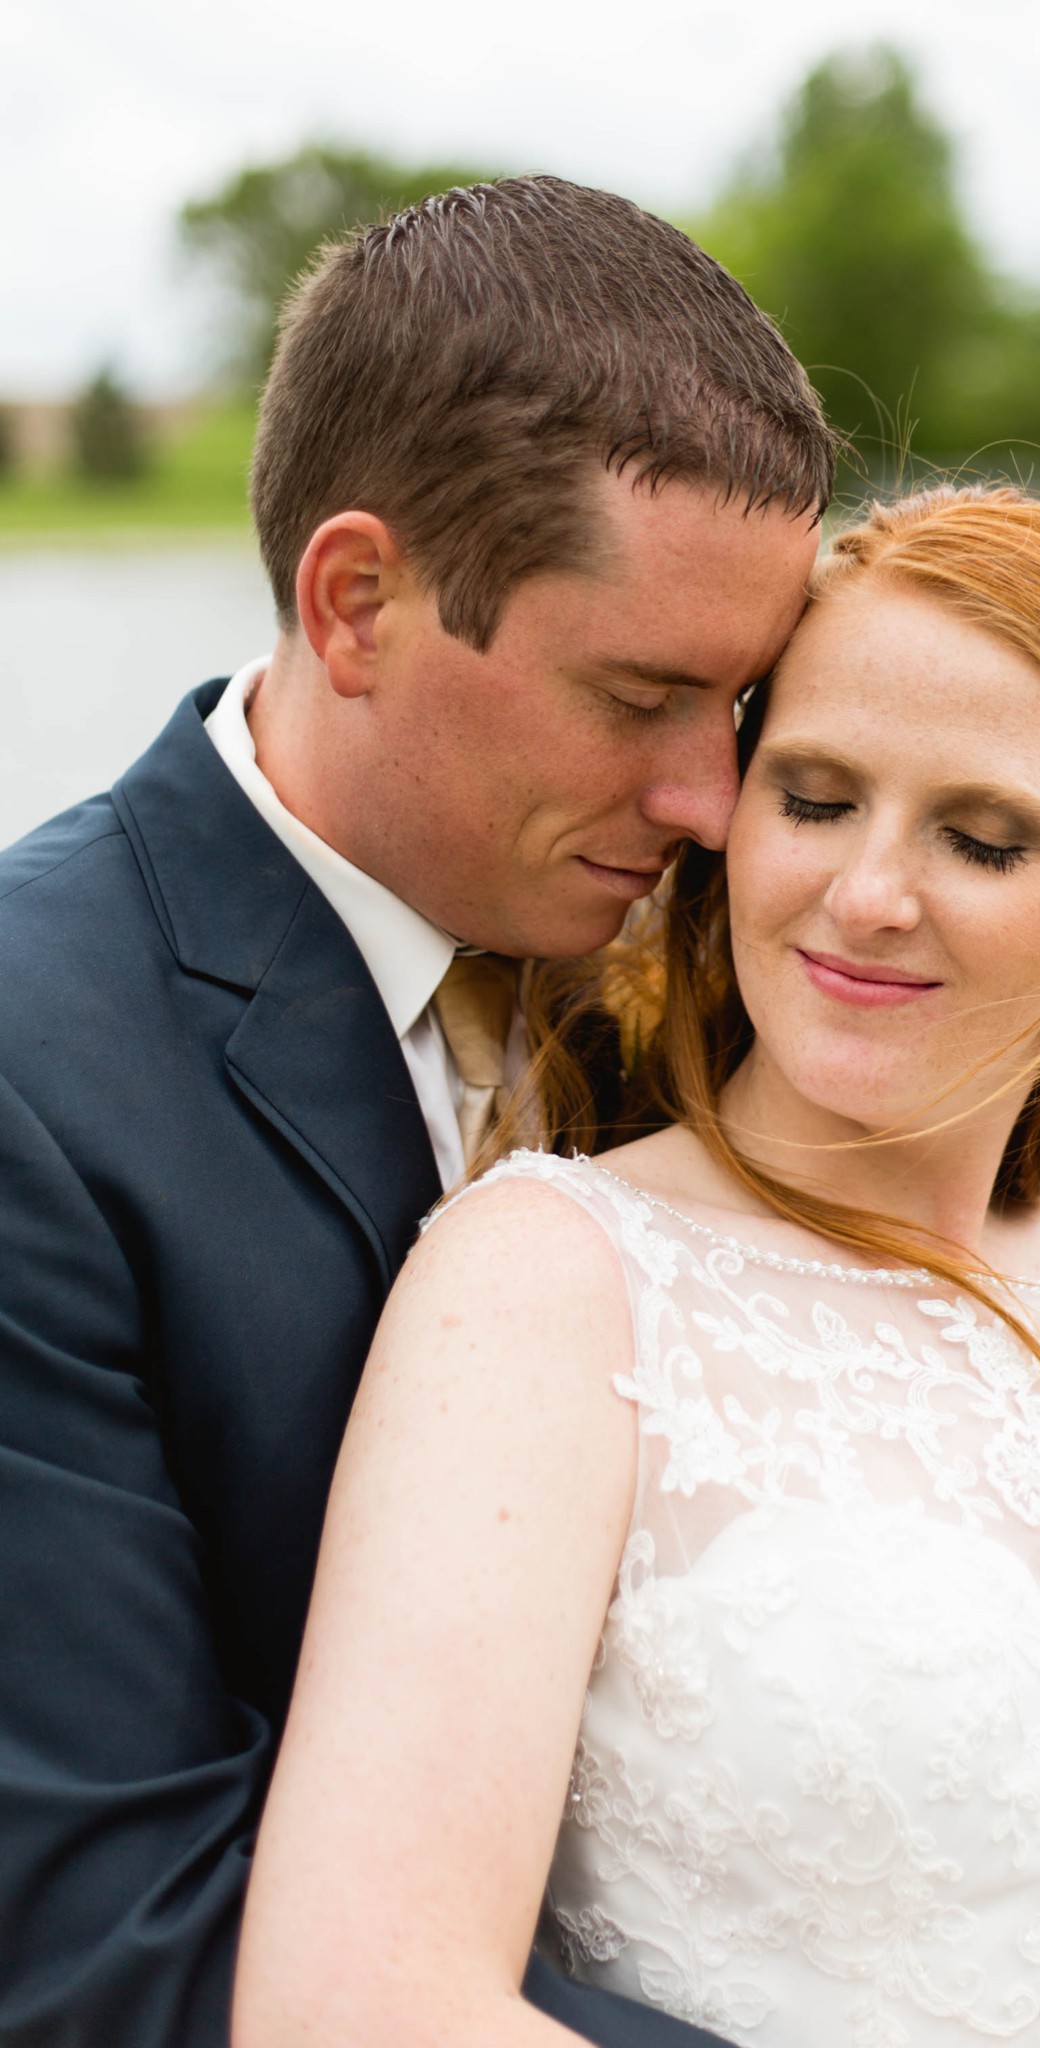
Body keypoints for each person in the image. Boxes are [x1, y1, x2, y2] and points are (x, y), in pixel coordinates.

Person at [231, 484, 1040, 2046]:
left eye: (981, 837)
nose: (869, 896)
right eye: (816, 800)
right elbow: (359, 2005)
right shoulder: (551, 1290)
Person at [0, 177, 833, 2048]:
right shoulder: (26, 1088)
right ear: (358, 600)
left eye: (750, 703)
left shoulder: (784, 980)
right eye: (641, 697)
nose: (719, 802)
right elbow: (112, 1961)